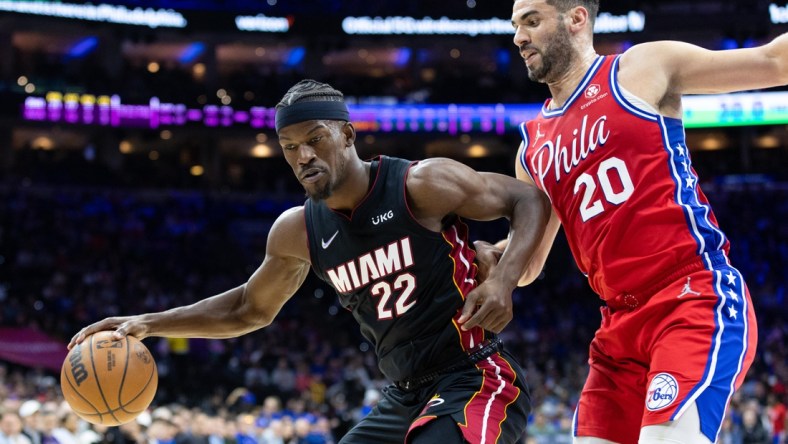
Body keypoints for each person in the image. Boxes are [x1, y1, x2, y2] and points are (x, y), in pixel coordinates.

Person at [69, 79, 552, 443]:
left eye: (315, 139)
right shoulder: (297, 230)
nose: (303, 155)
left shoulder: (420, 185)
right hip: (404, 392)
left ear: (347, 134)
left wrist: (504, 280)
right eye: (290, 147)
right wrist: (150, 323)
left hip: (474, 375)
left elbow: (528, 200)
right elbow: (247, 310)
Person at [466, 1, 788, 443]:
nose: (519, 37)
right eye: (516, 25)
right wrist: (484, 257)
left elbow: (772, 60)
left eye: (532, 21)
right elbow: (530, 264)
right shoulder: (532, 148)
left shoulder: (641, 68)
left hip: (690, 296)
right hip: (618, 330)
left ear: (576, 18)